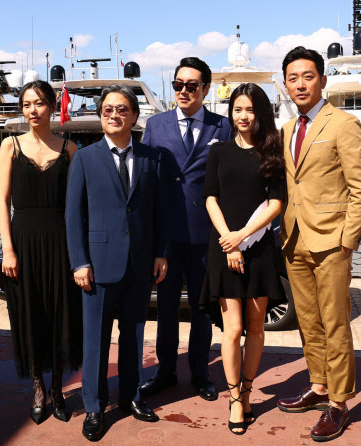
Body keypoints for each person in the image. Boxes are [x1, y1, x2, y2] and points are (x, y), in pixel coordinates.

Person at [276, 47, 361, 442]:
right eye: (293, 78)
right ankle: (318, 386)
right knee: (308, 322)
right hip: (293, 239)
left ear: (322, 80)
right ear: (285, 83)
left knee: (335, 324)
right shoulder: (286, 129)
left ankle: (339, 402)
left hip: (331, 242)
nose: (300, 84)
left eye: (308, 76)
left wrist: (347, 241)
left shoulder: (343, 123)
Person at [65, 84, 169, 442]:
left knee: (134, 336)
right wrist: (79, 262)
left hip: (140, 265)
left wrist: (160, 252)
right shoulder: (84, 157)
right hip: (97, 265)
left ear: (134, 116)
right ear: (100, 115)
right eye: (108, 109)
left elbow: (159, 213)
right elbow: (73, 216)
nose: (114, 115)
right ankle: (94, 406)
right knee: (95, 340)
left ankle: (131, 396)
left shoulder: (151, 158)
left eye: (122, 109)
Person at [141, 57, 232, 401]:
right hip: (166, 237)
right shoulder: (156, 125)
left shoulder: (221, 127)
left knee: (201, 310)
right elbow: (147, 179)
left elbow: (227, 180)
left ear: (205, 89)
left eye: (191, 85)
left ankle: (200, 372)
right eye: (178, 84)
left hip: (204, 236)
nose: (183, 91)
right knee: (165, 310)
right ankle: (165, 371)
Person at [200, 83, 285, 434]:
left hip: (261, 248)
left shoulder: (272, 151)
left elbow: (278, 201)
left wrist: (244, 237)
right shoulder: (218, 151)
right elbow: (209, 198)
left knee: (256, 329)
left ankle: (248, 393)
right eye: (237, 109)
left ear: (260, 112)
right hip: (225, 249)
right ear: (231, 113)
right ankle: (235, 399)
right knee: (232, 330)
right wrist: (230, 242)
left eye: (249, 109)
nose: (243, 116)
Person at [0, 80, 83, 426]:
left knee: (61, 314)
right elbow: (3, 201)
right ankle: (37, 387)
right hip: (23, 244)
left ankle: (58, 389)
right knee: (29, 314)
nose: (33, 110)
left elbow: (76, 207)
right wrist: (8, 249)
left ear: (52, 106)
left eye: (40, 103)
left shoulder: (69, 149)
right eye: (27, 104)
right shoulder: (9, 146)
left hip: (61, 242)